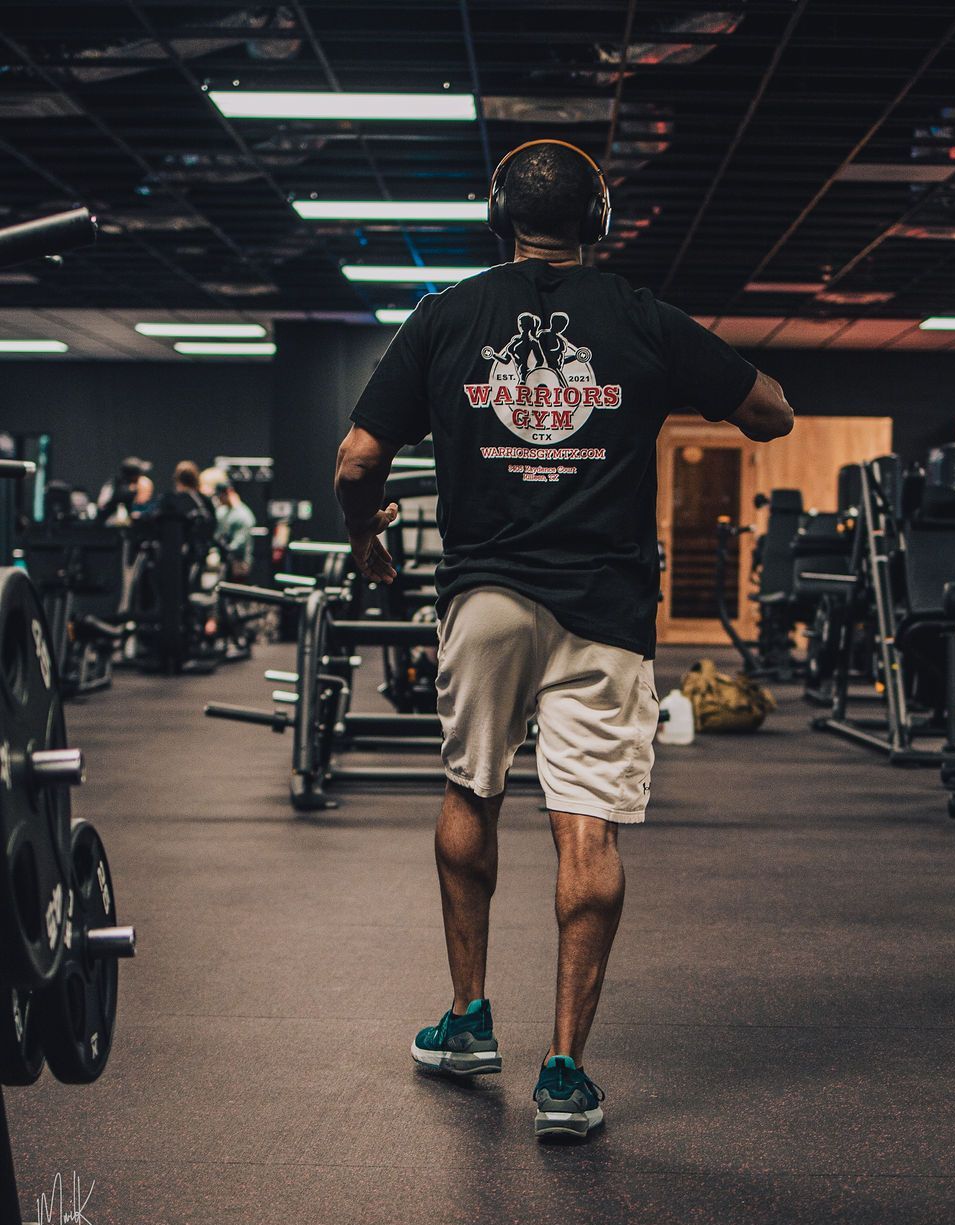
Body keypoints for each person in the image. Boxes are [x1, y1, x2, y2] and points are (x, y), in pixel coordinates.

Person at [334, 139, 793, 1140]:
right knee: (586, 824)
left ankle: (465, 1019)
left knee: (472, 788)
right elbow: (771, 413)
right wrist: (669, 380)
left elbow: (360, 453)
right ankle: (564, 1072)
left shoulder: (446, 316)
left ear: (498, 216)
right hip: (607, 603)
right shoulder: (642, 317)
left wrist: (367, 535)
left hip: (486, 596)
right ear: (600, 218)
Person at [212, 476, 256, 582]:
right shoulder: (221, 512)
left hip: (239, 562)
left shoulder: (243, 514)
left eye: (220, 496)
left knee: (237, 592)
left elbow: (240, 542)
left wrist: (227, 548)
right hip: (225, 561)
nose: (219, 499)